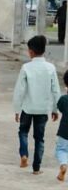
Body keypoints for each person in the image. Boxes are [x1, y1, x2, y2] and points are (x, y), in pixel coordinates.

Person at [13, 35, 60, 174]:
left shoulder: (26, 67)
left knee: (23, 132)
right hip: (42, 109)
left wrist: (17, 109)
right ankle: (36, 168)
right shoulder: (50, 68)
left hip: (27, 108)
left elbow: (19, 90)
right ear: (43, 50)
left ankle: (24, 154)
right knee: (39, 138)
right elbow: (56, 90)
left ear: (31, 51)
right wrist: (55, 109)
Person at [55, 70, 68, 182]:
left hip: (65, 131)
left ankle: (63, 165)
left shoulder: (64, 99)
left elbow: (60, 108)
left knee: (61, 149)